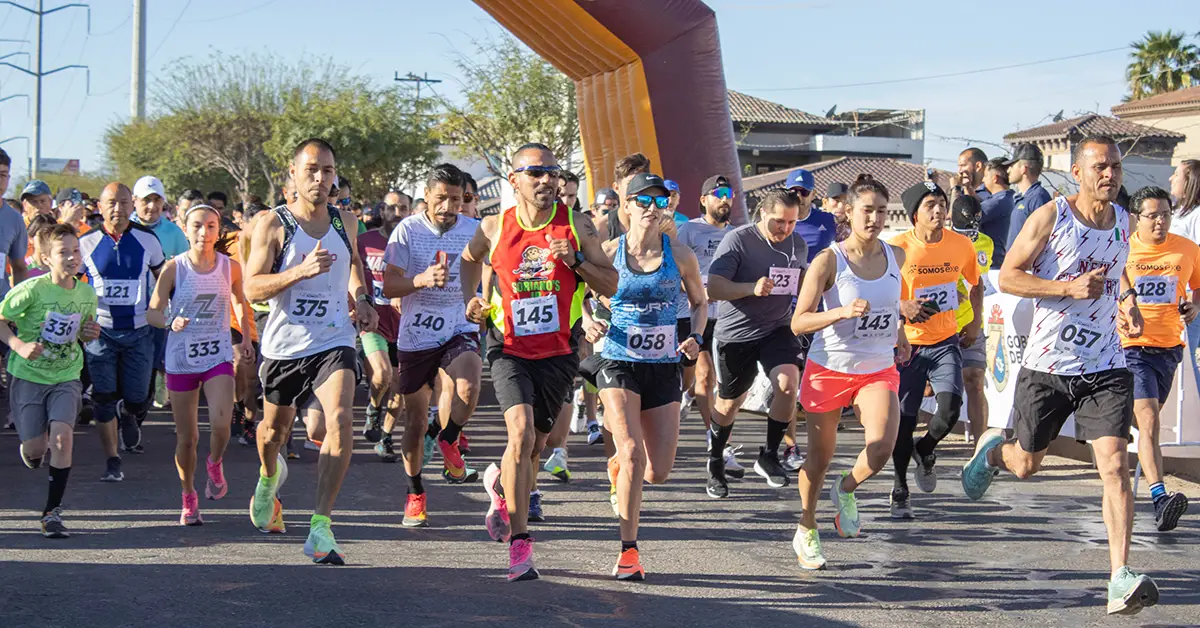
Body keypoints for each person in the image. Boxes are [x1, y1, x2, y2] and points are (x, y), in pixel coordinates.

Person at [964, 135, 1158, 616]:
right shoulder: (1052, 216)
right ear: (1077, 171)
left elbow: (1121, 270)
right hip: (1048, 365)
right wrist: (1066, 287)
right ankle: (997, 449)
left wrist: (1128, 303)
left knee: (1114, 466)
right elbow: (1007, 276)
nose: (1109, 175)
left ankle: (1119, 576)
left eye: (1115, 166)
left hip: (1106, 364)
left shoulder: (1125, 223)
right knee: (1028, 465)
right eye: (1100, 167)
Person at [461, 142, 618, 581]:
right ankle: (520, 544)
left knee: (537, 446)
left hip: (558, 351)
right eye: (535, 172)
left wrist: (578, 261)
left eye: (553, 171)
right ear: (514, 181)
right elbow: (469, 260)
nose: (547, 179)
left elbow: (612, 283)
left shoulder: (577, 225)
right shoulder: (493, 226)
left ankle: (501, 487)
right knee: (521, 433)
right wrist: (470, 300)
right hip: (507, 347)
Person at [244, 138, 377, 564]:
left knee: (339, 418)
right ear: (294, 173)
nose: (321, 179)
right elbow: (251, 287)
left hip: (333, 338)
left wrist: (361, 298)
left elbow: (352, 264)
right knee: (272, 436)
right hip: (285, 345)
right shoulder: (273, 223)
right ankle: (269, 479)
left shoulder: (346, 222)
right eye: (312, 170)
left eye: (328, 170)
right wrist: (299, 271)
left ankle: (321, 527)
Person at [579, 172, 706, 580]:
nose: (653, 208)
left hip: (664, 365)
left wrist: (697, 338)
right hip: (617, 359)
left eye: (659, 200)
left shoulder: (680, 254)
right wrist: (587, 323)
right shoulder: (610, 251)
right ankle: (629, 551)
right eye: (644, 201)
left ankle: (619, 466)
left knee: (657, 472)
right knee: (633, 450)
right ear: (626, 206)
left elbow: (700, 303)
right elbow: (584, 296)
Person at [789, 174, 906, 569]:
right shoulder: (828, 260)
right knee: (819, 460)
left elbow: (890, 304)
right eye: (867, 211)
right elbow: (799, 322)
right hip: (830, 368)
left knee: (881, 448)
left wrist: (901, 333)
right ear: (849, 212)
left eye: (881, 212)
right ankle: (807, 527)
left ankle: (848, 487)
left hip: (877, 367)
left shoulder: (896, 256)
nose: (874, 218)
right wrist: (840, 311)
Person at [383, 163, 485, 527]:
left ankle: (450, 439)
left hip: (459, 324)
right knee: (413, 420)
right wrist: (423, 278)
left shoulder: (475, 230)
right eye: (441, 198)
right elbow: (389, 286)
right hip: (417, 333)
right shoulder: (407, 231)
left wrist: (482, 302)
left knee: (470, 383)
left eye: (456, 199)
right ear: (426, 196)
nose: (448, 207)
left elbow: (493, 275)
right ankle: (415, 492)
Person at [146, 203, 255, 525]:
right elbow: (152, 312)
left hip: (217, 355)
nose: (203, 232)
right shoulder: (173, 268)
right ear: (184, 227)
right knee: (187, 438)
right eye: (196, 225)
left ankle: (215, 461)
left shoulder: (229, 267)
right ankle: (189, 495)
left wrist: (246, 339)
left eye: (210, 226)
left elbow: (239, 301)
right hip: (181, 359)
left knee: (221, 424)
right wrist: (169, 320)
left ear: (218, 230)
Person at [704, 187, 808, 498]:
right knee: (730, 403)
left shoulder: (797, 243)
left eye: (791, 222)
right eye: (779, 221)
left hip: (777, 327)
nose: (785, 229)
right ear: (763, 213)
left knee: (789, 384)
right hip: (736, 333)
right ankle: (715, 462)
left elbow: (803, 282)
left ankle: (769, 455)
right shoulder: (738, 240)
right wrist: (752, 287)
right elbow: (715, 288)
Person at [887, 181, 980, 518]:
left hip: (945, 341)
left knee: (951, 409)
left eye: (942, 203)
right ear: (914, 214)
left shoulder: (960, 245)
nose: (939, 210)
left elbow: (975, 284)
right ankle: (900, 487)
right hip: (907, 345)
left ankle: (924, 449)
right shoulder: (896, 248)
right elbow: (881, 292)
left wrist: (975, 322)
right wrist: (903, 307)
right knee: (904, 420)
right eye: (930, 204)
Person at [0, 223, 100, 537]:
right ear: (45, 258)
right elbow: (1, 319)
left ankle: (51, 513)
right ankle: (31, 451)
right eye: (63, 252)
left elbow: (85, 330)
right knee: (35, 448)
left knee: (62, 438)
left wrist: (89, 332)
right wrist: (18, 345)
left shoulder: (86, 293)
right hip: (28, 377)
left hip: (66, 375)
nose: (72, 257)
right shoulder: (30, 289)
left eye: (75, 251)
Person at [1120, 186, 1194, 531]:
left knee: (1144, 423)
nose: (1161, 222)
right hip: (1130, 347)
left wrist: (1195, 306)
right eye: (1153, 216)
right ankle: (1160, 498)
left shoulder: (1187, 249)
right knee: (1148, 419)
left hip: (1169, 349)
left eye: (1166, 214)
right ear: (1137, 218)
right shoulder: (1122, 249)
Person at [80, 182, 165, 480]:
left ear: (133, 205)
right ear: (100, 207)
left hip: (139, 331)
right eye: (111, 203)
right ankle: (112, 460)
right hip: (101, 333)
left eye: (124, 202)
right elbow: (70, 284)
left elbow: (163, 279)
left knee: (138, 396)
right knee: (102, 399)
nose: (118, 209)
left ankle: (129, 412)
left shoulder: (148, 240)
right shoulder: (85, 243)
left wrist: (168, 310)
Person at [676, 175, 739, 474]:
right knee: (700, 377)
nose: (725, 199)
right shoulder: (688, 230)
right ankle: (715, 440)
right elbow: (671, 268)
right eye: (718, 194)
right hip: (693, 314)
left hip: (727, 316)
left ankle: (714, 439)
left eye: (729, 194)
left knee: (713, 381)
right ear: (704, 199)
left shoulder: (738, 235)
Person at [132, 175, 190, 411]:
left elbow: (186, 270)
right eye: (146, 200)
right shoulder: (126, 229)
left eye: (157, 200)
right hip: (129, 310)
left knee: (156, 359)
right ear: (135, 201)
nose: (151, 206)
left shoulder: (173, 232)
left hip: (161, 310)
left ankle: (148, 400)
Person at [358, 202, 404, 463]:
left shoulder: (413, 243)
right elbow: (351, 272)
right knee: (382, 374)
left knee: (400, 390)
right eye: (393, 208)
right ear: (383, 212)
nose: (398, 213)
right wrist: (356, 303)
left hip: (404, 325)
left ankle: (386, 436)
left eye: (403, 208)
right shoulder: (364, 240)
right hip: (373, 322)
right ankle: (374, 408)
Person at [949, 195, 993, 443]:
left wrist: (975, 322)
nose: (970, 238)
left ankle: (981, 447)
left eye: (973, 232)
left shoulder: (986, 244)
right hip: (939, 326)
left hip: (973, 323)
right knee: (936, 390)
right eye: (965, 232)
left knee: (975, 379)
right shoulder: (942, 242)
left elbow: (979, 285)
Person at [1004, 144, 1052, 246]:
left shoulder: (1038, 198)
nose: (1008, 170)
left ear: (1023, 169)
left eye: (1012, 166)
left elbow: (1041, 240)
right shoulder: (1024, 198)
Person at [786, 169, 836, 263]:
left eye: (804, 192)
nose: (798, 197)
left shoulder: (829, 220)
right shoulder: (776, 220)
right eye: (793, 192)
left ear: (813, 194)